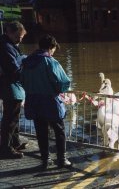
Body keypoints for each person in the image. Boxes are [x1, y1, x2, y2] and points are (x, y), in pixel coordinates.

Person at [21, 34, 72, 169]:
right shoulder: (50, 62)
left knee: (41, 131)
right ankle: (62, 160)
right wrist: (58, 90)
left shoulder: (26, 61)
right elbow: (64, 82)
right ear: (51, 47)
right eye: (54, 48)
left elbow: (22, 80)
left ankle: (45, 160)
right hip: (50, 101)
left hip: (33, 101)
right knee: (59, 131)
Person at [0, 21, 27, 159]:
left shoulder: (8, 44)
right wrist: (25, 65)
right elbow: (13, 69)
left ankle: (14, 142)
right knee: (10, 119)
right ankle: (5, 148)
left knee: (13, 117)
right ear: (10, 32)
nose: (20, 40)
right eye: (18, 36)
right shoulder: (6, 47)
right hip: (10, 87)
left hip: (11, 86)